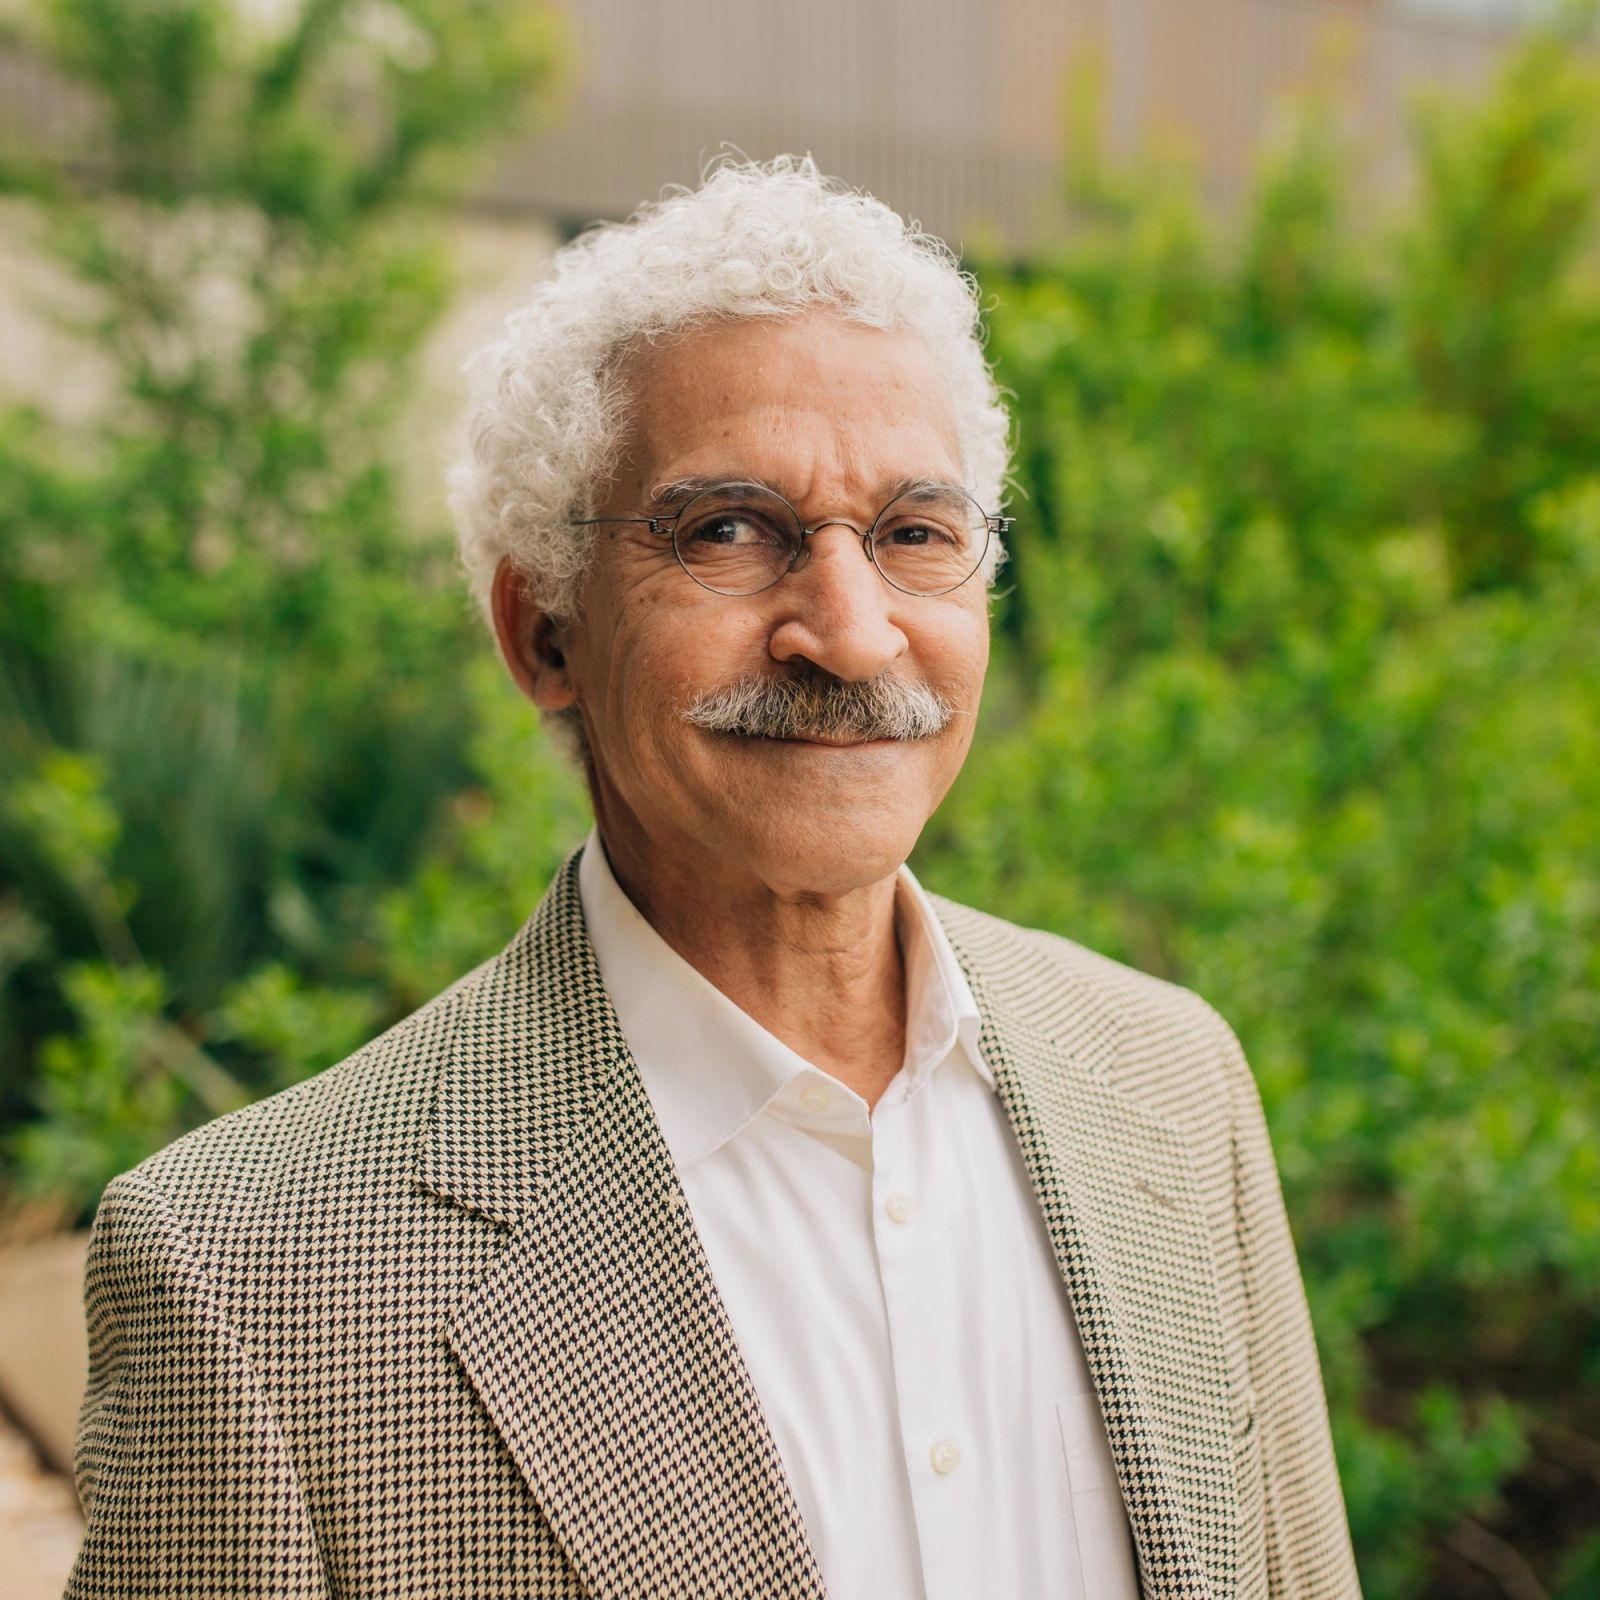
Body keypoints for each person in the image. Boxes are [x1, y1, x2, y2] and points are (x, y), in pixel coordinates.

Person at [67, 156, 1361, 1599]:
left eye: (915, 535)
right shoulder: (254, 1280)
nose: (854, 634)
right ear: (544, 633)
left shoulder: (1173, 1087)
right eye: (729, 532)